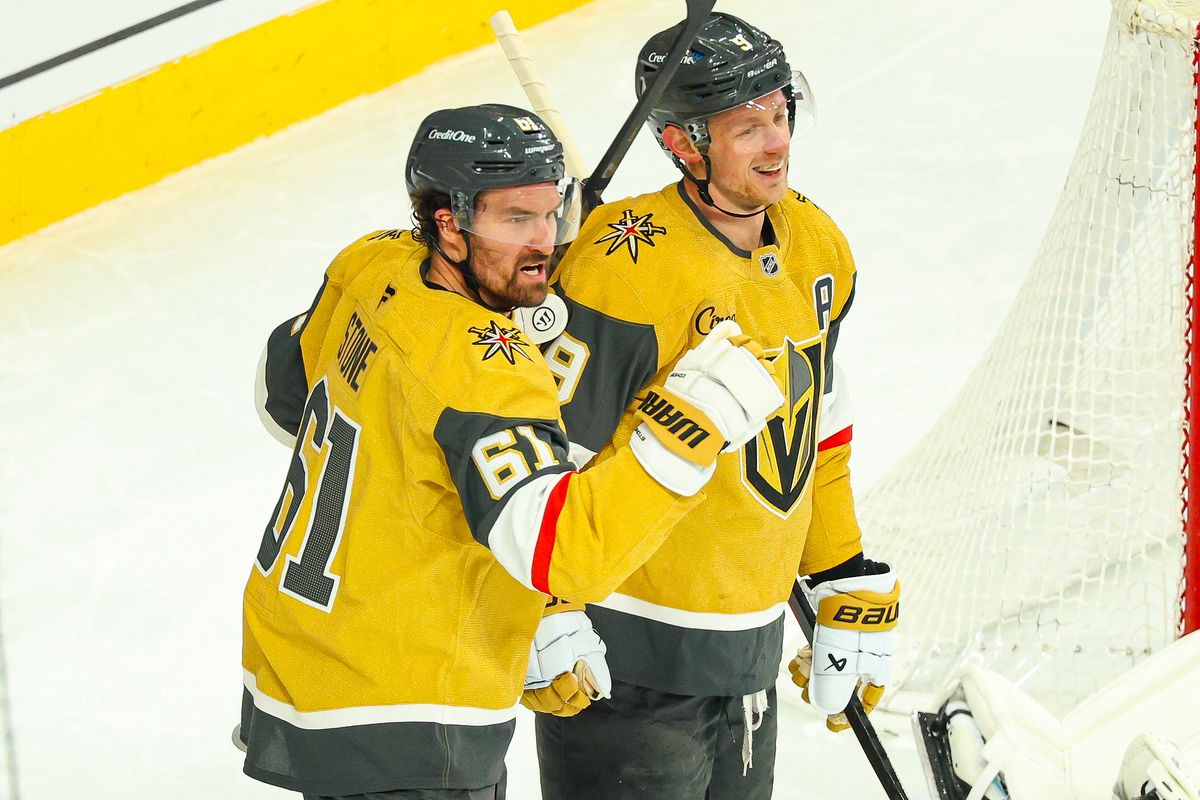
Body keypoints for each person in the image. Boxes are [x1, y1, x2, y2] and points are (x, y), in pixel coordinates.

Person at [239, 103, 785, 799]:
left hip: (304, 659)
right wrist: (685, 432)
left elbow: (280, 400)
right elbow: (565, 552)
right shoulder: (489, 373)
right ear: (448, 223)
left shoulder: (372, 264)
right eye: (516, 219)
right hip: (412, 708)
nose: (546, 241)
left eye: (552, 212)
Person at [533, 14, 900, 800]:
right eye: (746, 127)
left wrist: (840, 572)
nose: (777, 143)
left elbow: (817, 427)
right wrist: (541, 611)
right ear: (684, 145)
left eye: (780, 112)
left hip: (749, 650)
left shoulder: (815, 244)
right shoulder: (622, 267)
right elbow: (546, 457)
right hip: (623, 664)